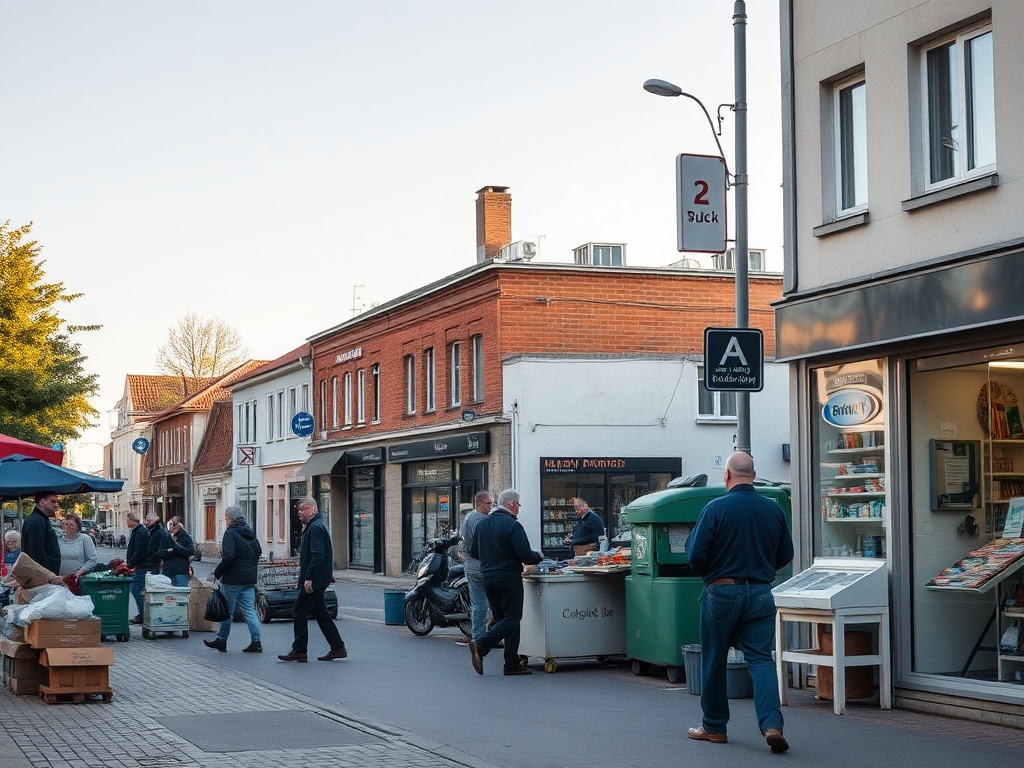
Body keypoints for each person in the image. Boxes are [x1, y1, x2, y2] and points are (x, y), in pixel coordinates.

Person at [684, 451, 795, 754]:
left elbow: (694, 555)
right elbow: (786, 554)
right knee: (761, 660)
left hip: (721, 593)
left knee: (715, 658)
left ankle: (714, 727)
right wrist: (763, 570)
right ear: (754, 476)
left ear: (727, 475)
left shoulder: (715, 508)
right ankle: (772, 725)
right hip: (760, 593)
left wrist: (710, 572)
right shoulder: (773, 510)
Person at [468, 488, 542, 677]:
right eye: (518, 504)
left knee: (504, 619)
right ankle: (482, 645)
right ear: (511, 504)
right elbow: (525, 555)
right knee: (513, 618)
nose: (518, 508)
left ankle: (511, 663)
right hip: (508, 577)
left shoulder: (483, 525)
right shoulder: (512, 525)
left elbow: (474, 552)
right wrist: (538, 557)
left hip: (488, 578)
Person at [278, 498, 347, 663]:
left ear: (312, 510)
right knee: (320, 612)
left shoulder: (315, 528)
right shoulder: (313, 527)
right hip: (318, 578)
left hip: (315, 579)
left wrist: (308, 577)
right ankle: (338, 647)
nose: (299, 512)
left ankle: (299, 650)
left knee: (299, 611)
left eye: (302, 509)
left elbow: (318, 554)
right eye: (299, 509)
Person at [205, 506, 262, 653]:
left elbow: (228, 557)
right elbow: (258, 551)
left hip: (232, 580)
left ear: (231, 519)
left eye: (226, 518)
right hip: (249, 579)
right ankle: (256, 641)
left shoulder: (231, 534)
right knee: (250, 610)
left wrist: (216, 573)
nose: (226, 521)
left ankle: (222, 640)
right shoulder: (250, 532)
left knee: (226, 611)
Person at [459, 490, 493, 644]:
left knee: (479, 604)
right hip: (482, 567)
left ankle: (479, 637)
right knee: (485, 604)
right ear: (479, 504)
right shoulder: (483, 520)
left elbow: (464, 541)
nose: (491, 506)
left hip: (471, 566)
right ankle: (482, 638)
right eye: (488, 503)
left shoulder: (468, 517)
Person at [20, 490, 64, 584]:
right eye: (52, 501)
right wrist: (48, 575)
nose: (56, 505)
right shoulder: (36, 521)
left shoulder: (42, 519)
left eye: (56, 502)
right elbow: (36, 552)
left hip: (46, 576)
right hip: (42, 578)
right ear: (41, 502)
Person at [125, 511, 150, 624]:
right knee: (137, 589)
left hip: (140, 566)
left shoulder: (140, 532)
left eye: (128, 521)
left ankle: (143, 614)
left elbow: (140, 550)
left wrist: (131, 563)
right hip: (138, 565)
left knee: (136, 590)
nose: (127, 524)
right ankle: (142, 613)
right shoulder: (138, 531)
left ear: (134, 521)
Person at [58, 513, 101, 578]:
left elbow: (92, 560)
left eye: (71, 524)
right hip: (60, 578)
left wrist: (77, 575)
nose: (68, 526)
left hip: (78, 578)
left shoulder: (85, 539)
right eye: (66, 524)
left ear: (77, 526)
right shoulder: (59, 540)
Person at [157, 516, 195, 587]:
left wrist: (175, 547)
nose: (172, 526)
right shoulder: (166, 536)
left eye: (174, 524)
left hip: (181, 573)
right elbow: (160, 552)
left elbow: (190, 551)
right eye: (171, 524)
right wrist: (171, 551)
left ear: (180, 525)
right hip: (167, 573)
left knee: (181, 595)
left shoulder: (185, 537)